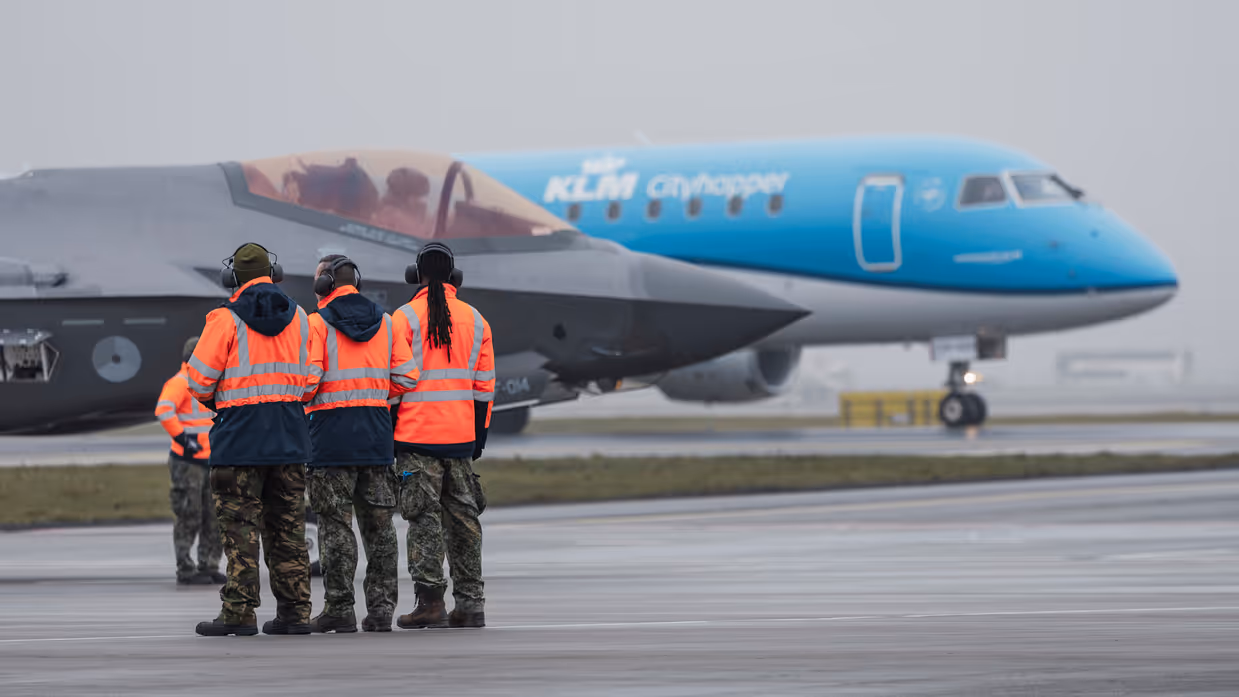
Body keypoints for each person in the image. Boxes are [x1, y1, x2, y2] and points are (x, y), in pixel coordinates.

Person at [185, 242, 314, 637]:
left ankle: (239, 613)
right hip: (289, 437)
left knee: (241, 532)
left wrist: (221, 401)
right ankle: (295, 614)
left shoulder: (223, 320)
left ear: (234, 278)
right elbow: (309, 380)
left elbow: (198, 379)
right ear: (272, 274)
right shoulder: (301, 317)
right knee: (288, 530)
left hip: (239, 439)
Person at [302, 255, 419, 633]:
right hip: (375, 435)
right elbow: (407, 377)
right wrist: (374, 396)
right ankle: (382, 611)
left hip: (331, 437)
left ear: (324, 285)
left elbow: (307, 382)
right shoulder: (386, 322)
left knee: (336, 527)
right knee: (381, 529)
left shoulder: (316, 324)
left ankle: (339, 608)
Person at [391, 242, 494, 629]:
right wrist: (478, 438)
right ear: (455, 278)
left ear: (416, 276)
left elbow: (395, 385)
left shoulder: (402, 319)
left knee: (423, 520)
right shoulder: (476, 320)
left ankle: (430, 602)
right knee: (465, 520)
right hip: (461, 438)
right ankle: (471, 603)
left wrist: (391, 434)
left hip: (416, 437)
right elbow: (484, 388)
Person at [154, 336, 222, 586]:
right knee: (188, 513)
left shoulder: (211, 383)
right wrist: (183, 440)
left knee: (214, 515)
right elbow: (163, 410)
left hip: (213, 458)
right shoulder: (180, 383)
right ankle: (185, 567)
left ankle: (209, 566)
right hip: (188, 461)